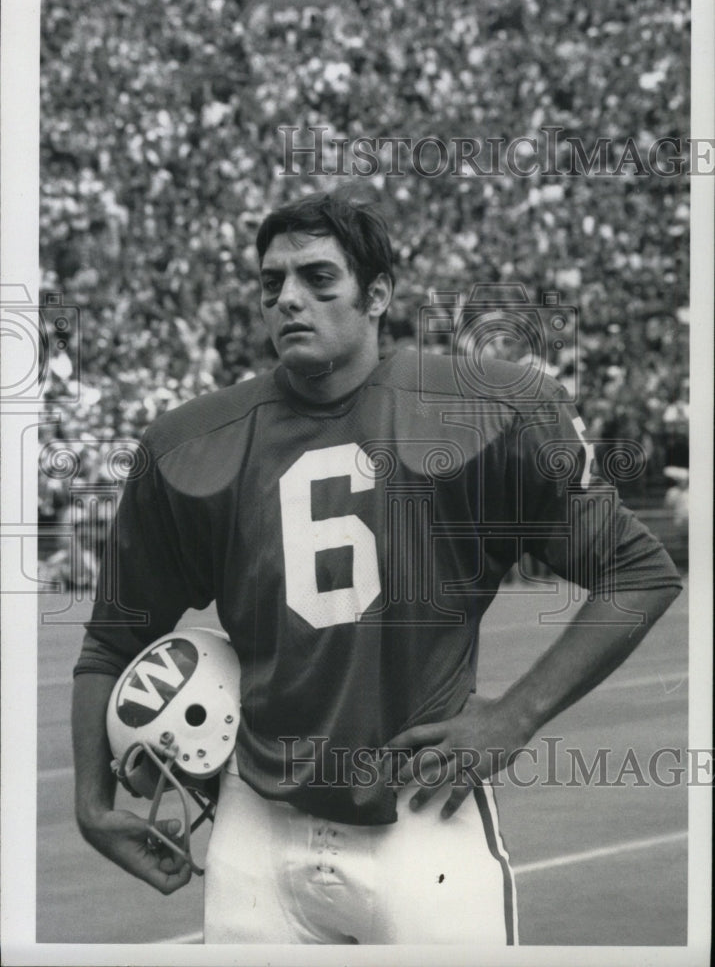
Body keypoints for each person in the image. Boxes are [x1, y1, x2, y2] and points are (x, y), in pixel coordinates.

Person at [72, 191, 683, 945]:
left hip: (421, 824)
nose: (290, 298)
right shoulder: (190, 444)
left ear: (379, 296)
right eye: (273, 283)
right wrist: (91, 801)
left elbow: (638, 571)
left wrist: (513, 717)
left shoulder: (485, 408)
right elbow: (112, 638)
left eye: (318, 279)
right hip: (254, 829)